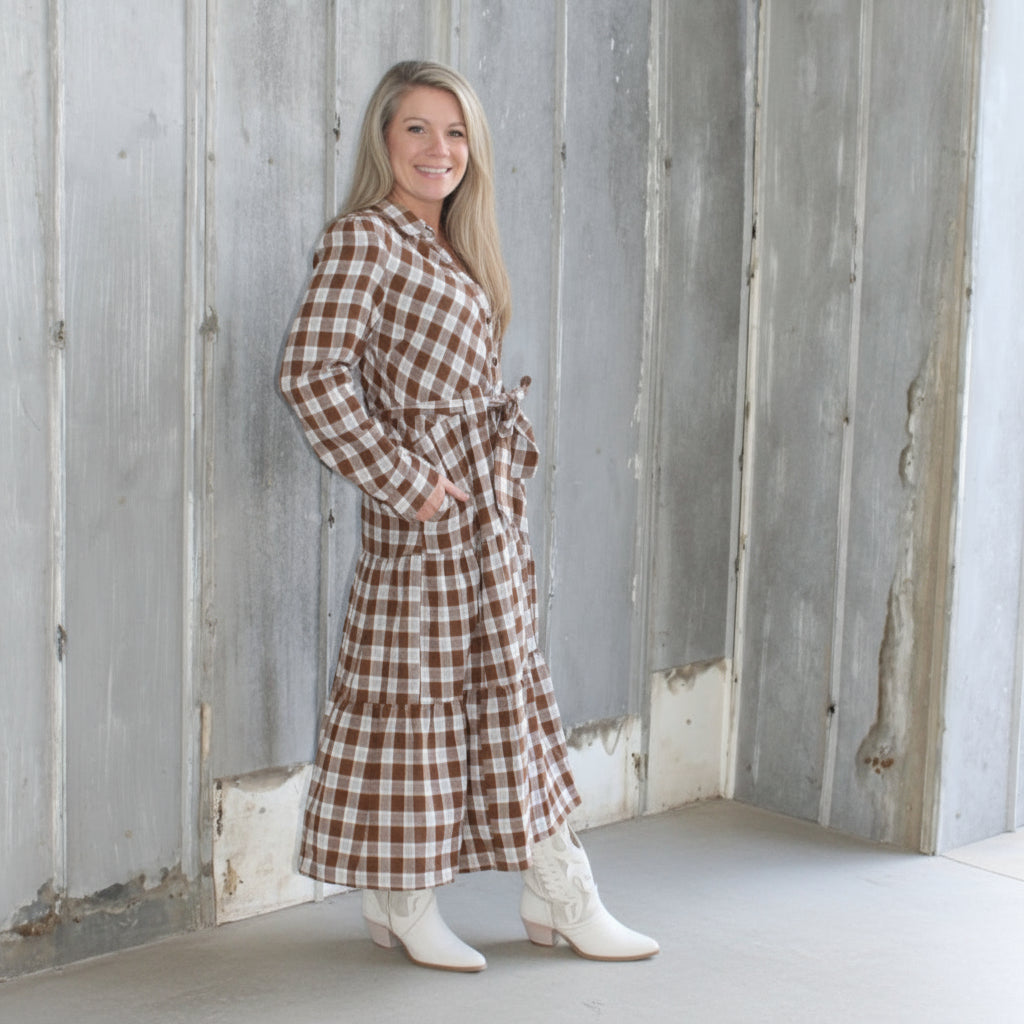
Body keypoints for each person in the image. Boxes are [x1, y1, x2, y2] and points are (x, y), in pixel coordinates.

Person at [279, 59, 658, 973]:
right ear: (383, 138)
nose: (438, 150)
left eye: (455, 133)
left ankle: (553, 886)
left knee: (510, 695)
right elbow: (310, 374)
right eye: (417, 129)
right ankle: (405, 897)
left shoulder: (454, 241)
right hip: (426, 516)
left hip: (485, 511)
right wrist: (407, 483)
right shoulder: (365, 238)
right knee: (415, 698)